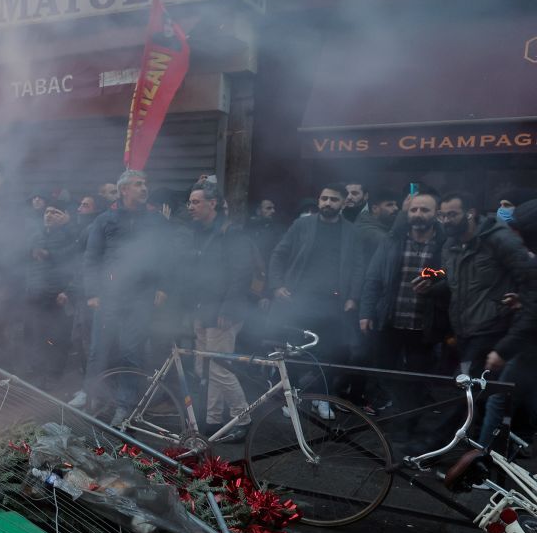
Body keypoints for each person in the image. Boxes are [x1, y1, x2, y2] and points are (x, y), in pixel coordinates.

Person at [73, 169, 175, 417]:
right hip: (108, 296)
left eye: (145, 184)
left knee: (132, 351)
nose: (144, 188)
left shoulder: (156, 221)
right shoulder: (104, 219)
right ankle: (93, 397)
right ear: (124, 190)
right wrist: (93, 293)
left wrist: (162, 287)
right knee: (99, 349)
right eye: (138, 184)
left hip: (141, 297)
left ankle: (124, 405)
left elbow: (167, 257)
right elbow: (91, 258)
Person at [267, 183, 366, 417]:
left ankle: (321, 399)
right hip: (298, 299)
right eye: (324, 198)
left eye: (333, 199)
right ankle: (290, 399)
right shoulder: (302, 225)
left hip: (333, 302)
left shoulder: (352, 231)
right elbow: (278, 254)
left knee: (329, 352)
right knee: (293, 351)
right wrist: (277, 286)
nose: (327, 203)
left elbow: (359, 267)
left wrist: (353, 296)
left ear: (343, 203)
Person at [358, 192, 447, 443]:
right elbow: (373, 278)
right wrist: (366, 312)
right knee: (386, 373)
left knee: (418, 378)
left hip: (425, 325)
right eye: (414, 210)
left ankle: (407, 426)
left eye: (425, 210)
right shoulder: (393, 240)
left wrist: (436, 284)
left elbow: (452, 278)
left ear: (436, 214)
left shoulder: (445, 244)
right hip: (391, 321)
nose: (418, 215)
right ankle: (400, 417)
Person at [184, 181, 256, 438]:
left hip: (223, 312)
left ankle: (243, 418)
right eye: (190, 202)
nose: (190, 207)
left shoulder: (231, 232)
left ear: (212, 203)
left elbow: (241, 273)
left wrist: (227, 307)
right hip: (202, 309)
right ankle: (213, 420)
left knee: (220, 369)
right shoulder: (197, 231)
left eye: (196, 202)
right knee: (206, 367)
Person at [436, 191, 533, 378]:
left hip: (493, 328)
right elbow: (452, 282)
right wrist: (430, 289)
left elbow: (528, 279)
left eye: (452, 214)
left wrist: (519, 302)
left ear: (470, 213)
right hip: (463, 329)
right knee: (476, 390)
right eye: (442, 215)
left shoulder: (498, 238)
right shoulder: (450, 245)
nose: (446, 220)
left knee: (467, 386)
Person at [478, 199, 537, 450]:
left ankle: (481, 464)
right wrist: (523, 301)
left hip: (529, 344)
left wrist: (504, 350)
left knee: (499, 398)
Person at [23, 205, 78, 389]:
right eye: (47, 212)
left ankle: (54, 376)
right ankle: (39, 376)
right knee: (38, 335)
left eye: (56, 212)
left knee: (58, 337)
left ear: (65, 216)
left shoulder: (70, 235)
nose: (50, 215)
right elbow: (28, 265)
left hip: (58, 296)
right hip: (37, 295)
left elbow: (75, 264)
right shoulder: (35, 236)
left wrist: (68, 291)